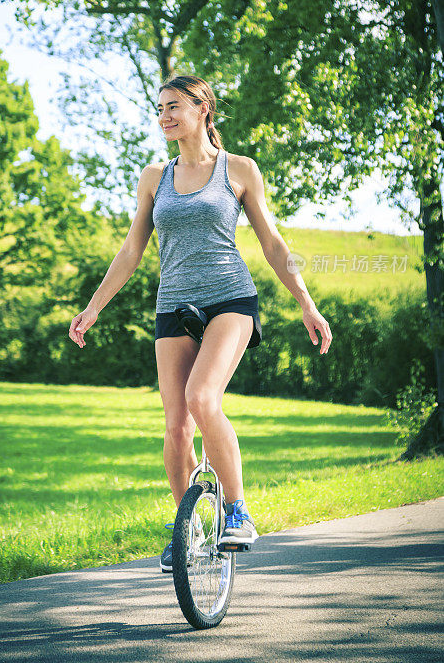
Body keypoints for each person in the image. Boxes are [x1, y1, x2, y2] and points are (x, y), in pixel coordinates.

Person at [68, 74, 332, 574]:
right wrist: (95, 306)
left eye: (173, 107)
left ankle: (236, 509)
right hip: (174, 304)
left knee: (202, 399)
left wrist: (306, 303)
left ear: (202, 109)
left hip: (230, 299)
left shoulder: (239, 170)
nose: (164, 116)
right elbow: (131, 252)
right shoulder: (154, 178)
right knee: (175, 425)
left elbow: (273, 244)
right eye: (159, 109)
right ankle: (186, 528)